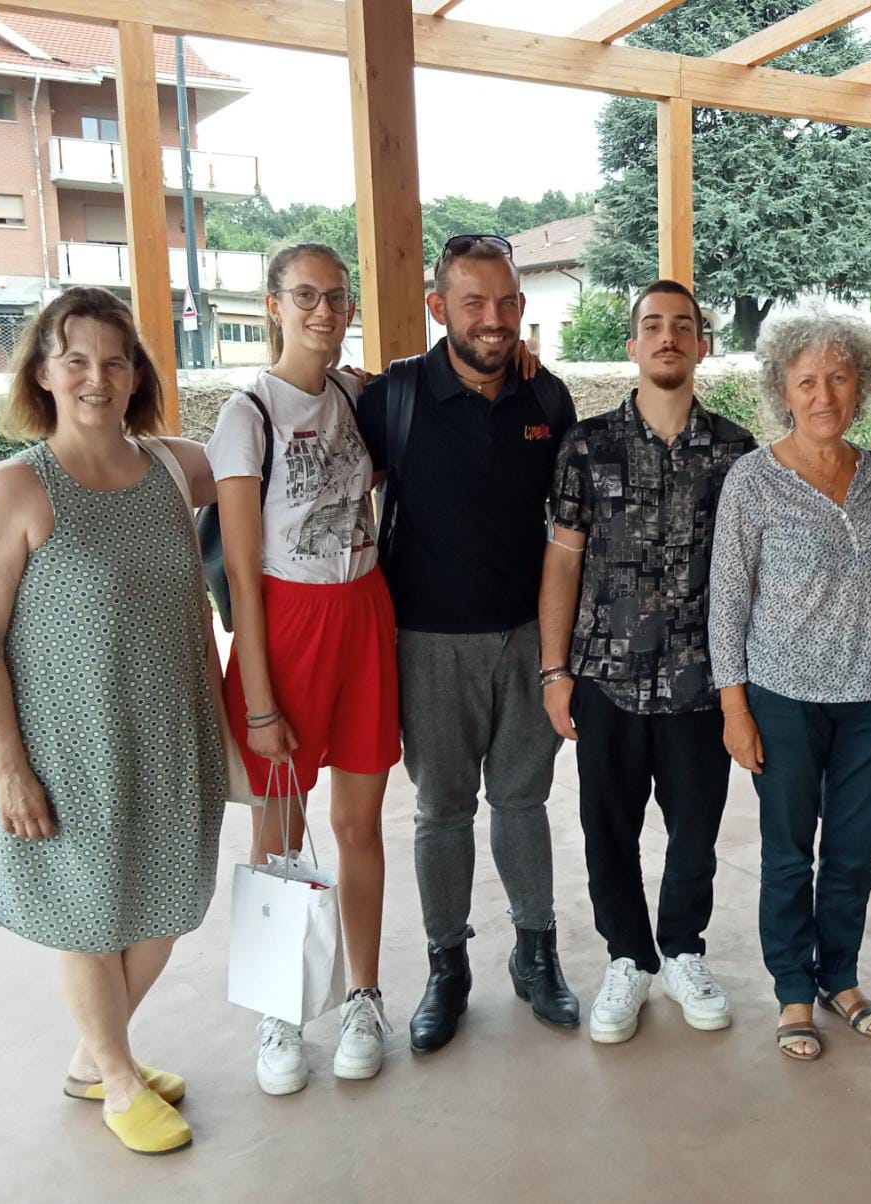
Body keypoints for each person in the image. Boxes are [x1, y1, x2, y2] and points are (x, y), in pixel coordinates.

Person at [0, 287, 225, 1155]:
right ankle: (114, 1079)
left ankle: (90, 1055)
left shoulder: (172, 469)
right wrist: (8, 765)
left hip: (166, 736)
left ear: (137, 373)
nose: (96, 377)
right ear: (42, 373)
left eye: (115, 360)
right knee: (90, 913)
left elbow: (277, 455)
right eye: (75, 359)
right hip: (63, 750)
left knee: (166, 908)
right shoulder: (14, 489)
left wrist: (368, 396)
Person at [355, 234, 580, 1052]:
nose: (493, 320)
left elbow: (571, 532)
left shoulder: (548, 401)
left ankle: (537, 953)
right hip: (427, 643)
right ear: (437, 305)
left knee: (523, 802)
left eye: (507, 303)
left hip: (527, 639)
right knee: (441, 809)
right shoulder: (394, 399)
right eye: (474, 302)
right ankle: (447, 969)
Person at [205, 242, 400, 1094]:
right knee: (277, 834)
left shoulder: (359, 395)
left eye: (337, 296)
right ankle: (278, 1013)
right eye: (306, 296)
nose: (325, 310)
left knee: (359, 826)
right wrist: (256, 702)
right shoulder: (247, 413)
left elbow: (440, 379)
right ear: (273, 303)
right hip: (285, 628)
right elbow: (243, 573)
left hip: (363, 616)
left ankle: (364, 993)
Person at [539, 280, 756, 1044]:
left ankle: (684, 951)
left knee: (696, 833)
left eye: (683, 327)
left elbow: (752, 573)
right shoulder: (586, 447)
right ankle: (628, 958)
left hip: (704, 683)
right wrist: (554, 669)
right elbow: (563, 562)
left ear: (702, 345)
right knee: (608, 832)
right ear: (632, 345)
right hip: (606, 681)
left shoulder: (737, 453)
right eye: (653, 327)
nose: (668, 338)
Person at [708, 309, 871, 1062]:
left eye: (838, 376)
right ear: (782, 391)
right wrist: (734, 706)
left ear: (861, 384)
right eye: (807, 381)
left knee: (854, 854)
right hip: (784, 696)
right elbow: (727, 599)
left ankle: (842, 976)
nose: (824, 393)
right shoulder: (752, 481)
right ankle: (794, 987)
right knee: (790, 852)